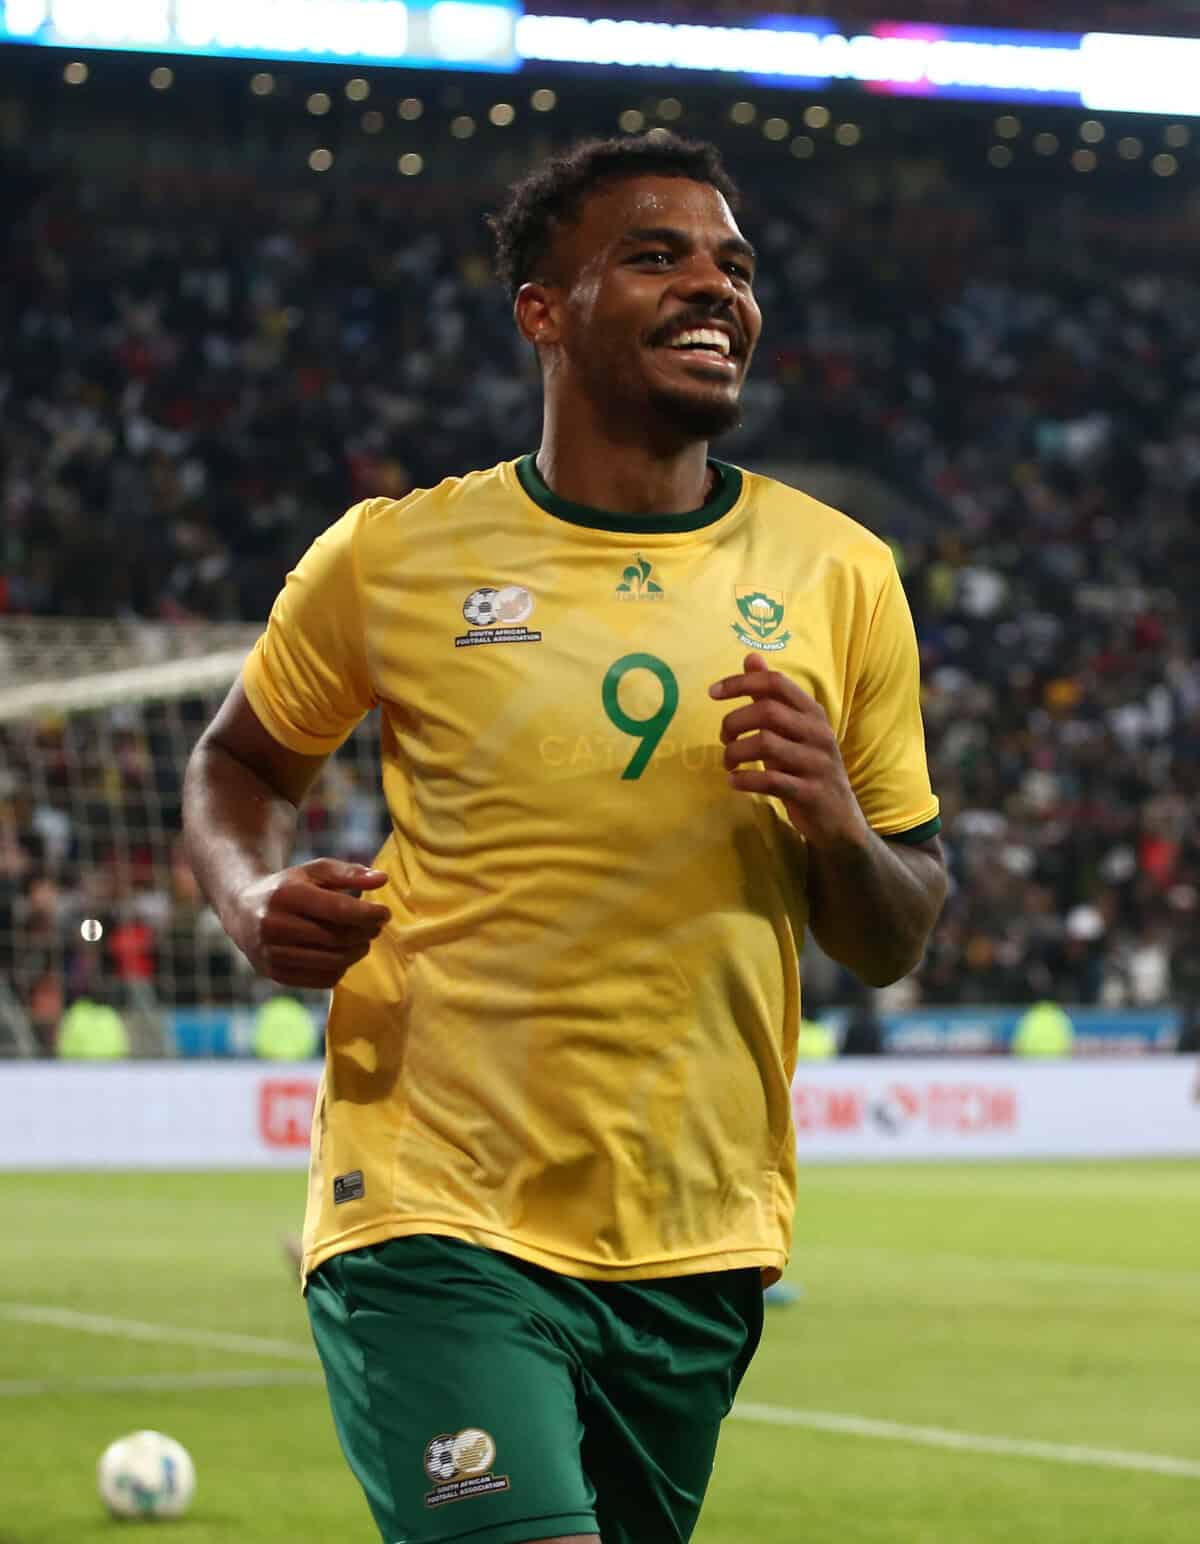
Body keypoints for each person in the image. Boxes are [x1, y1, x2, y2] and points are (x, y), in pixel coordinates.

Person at [183, 134, 946, 1544]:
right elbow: (237, 763)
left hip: (698, 1234)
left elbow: (892, 934)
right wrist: (246, 895)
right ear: (542, 309)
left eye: (735, 266)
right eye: (657, 256)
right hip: (430, 1207)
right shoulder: (393, 555)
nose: (715, 287)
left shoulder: (841, 574)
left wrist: (838, 819)